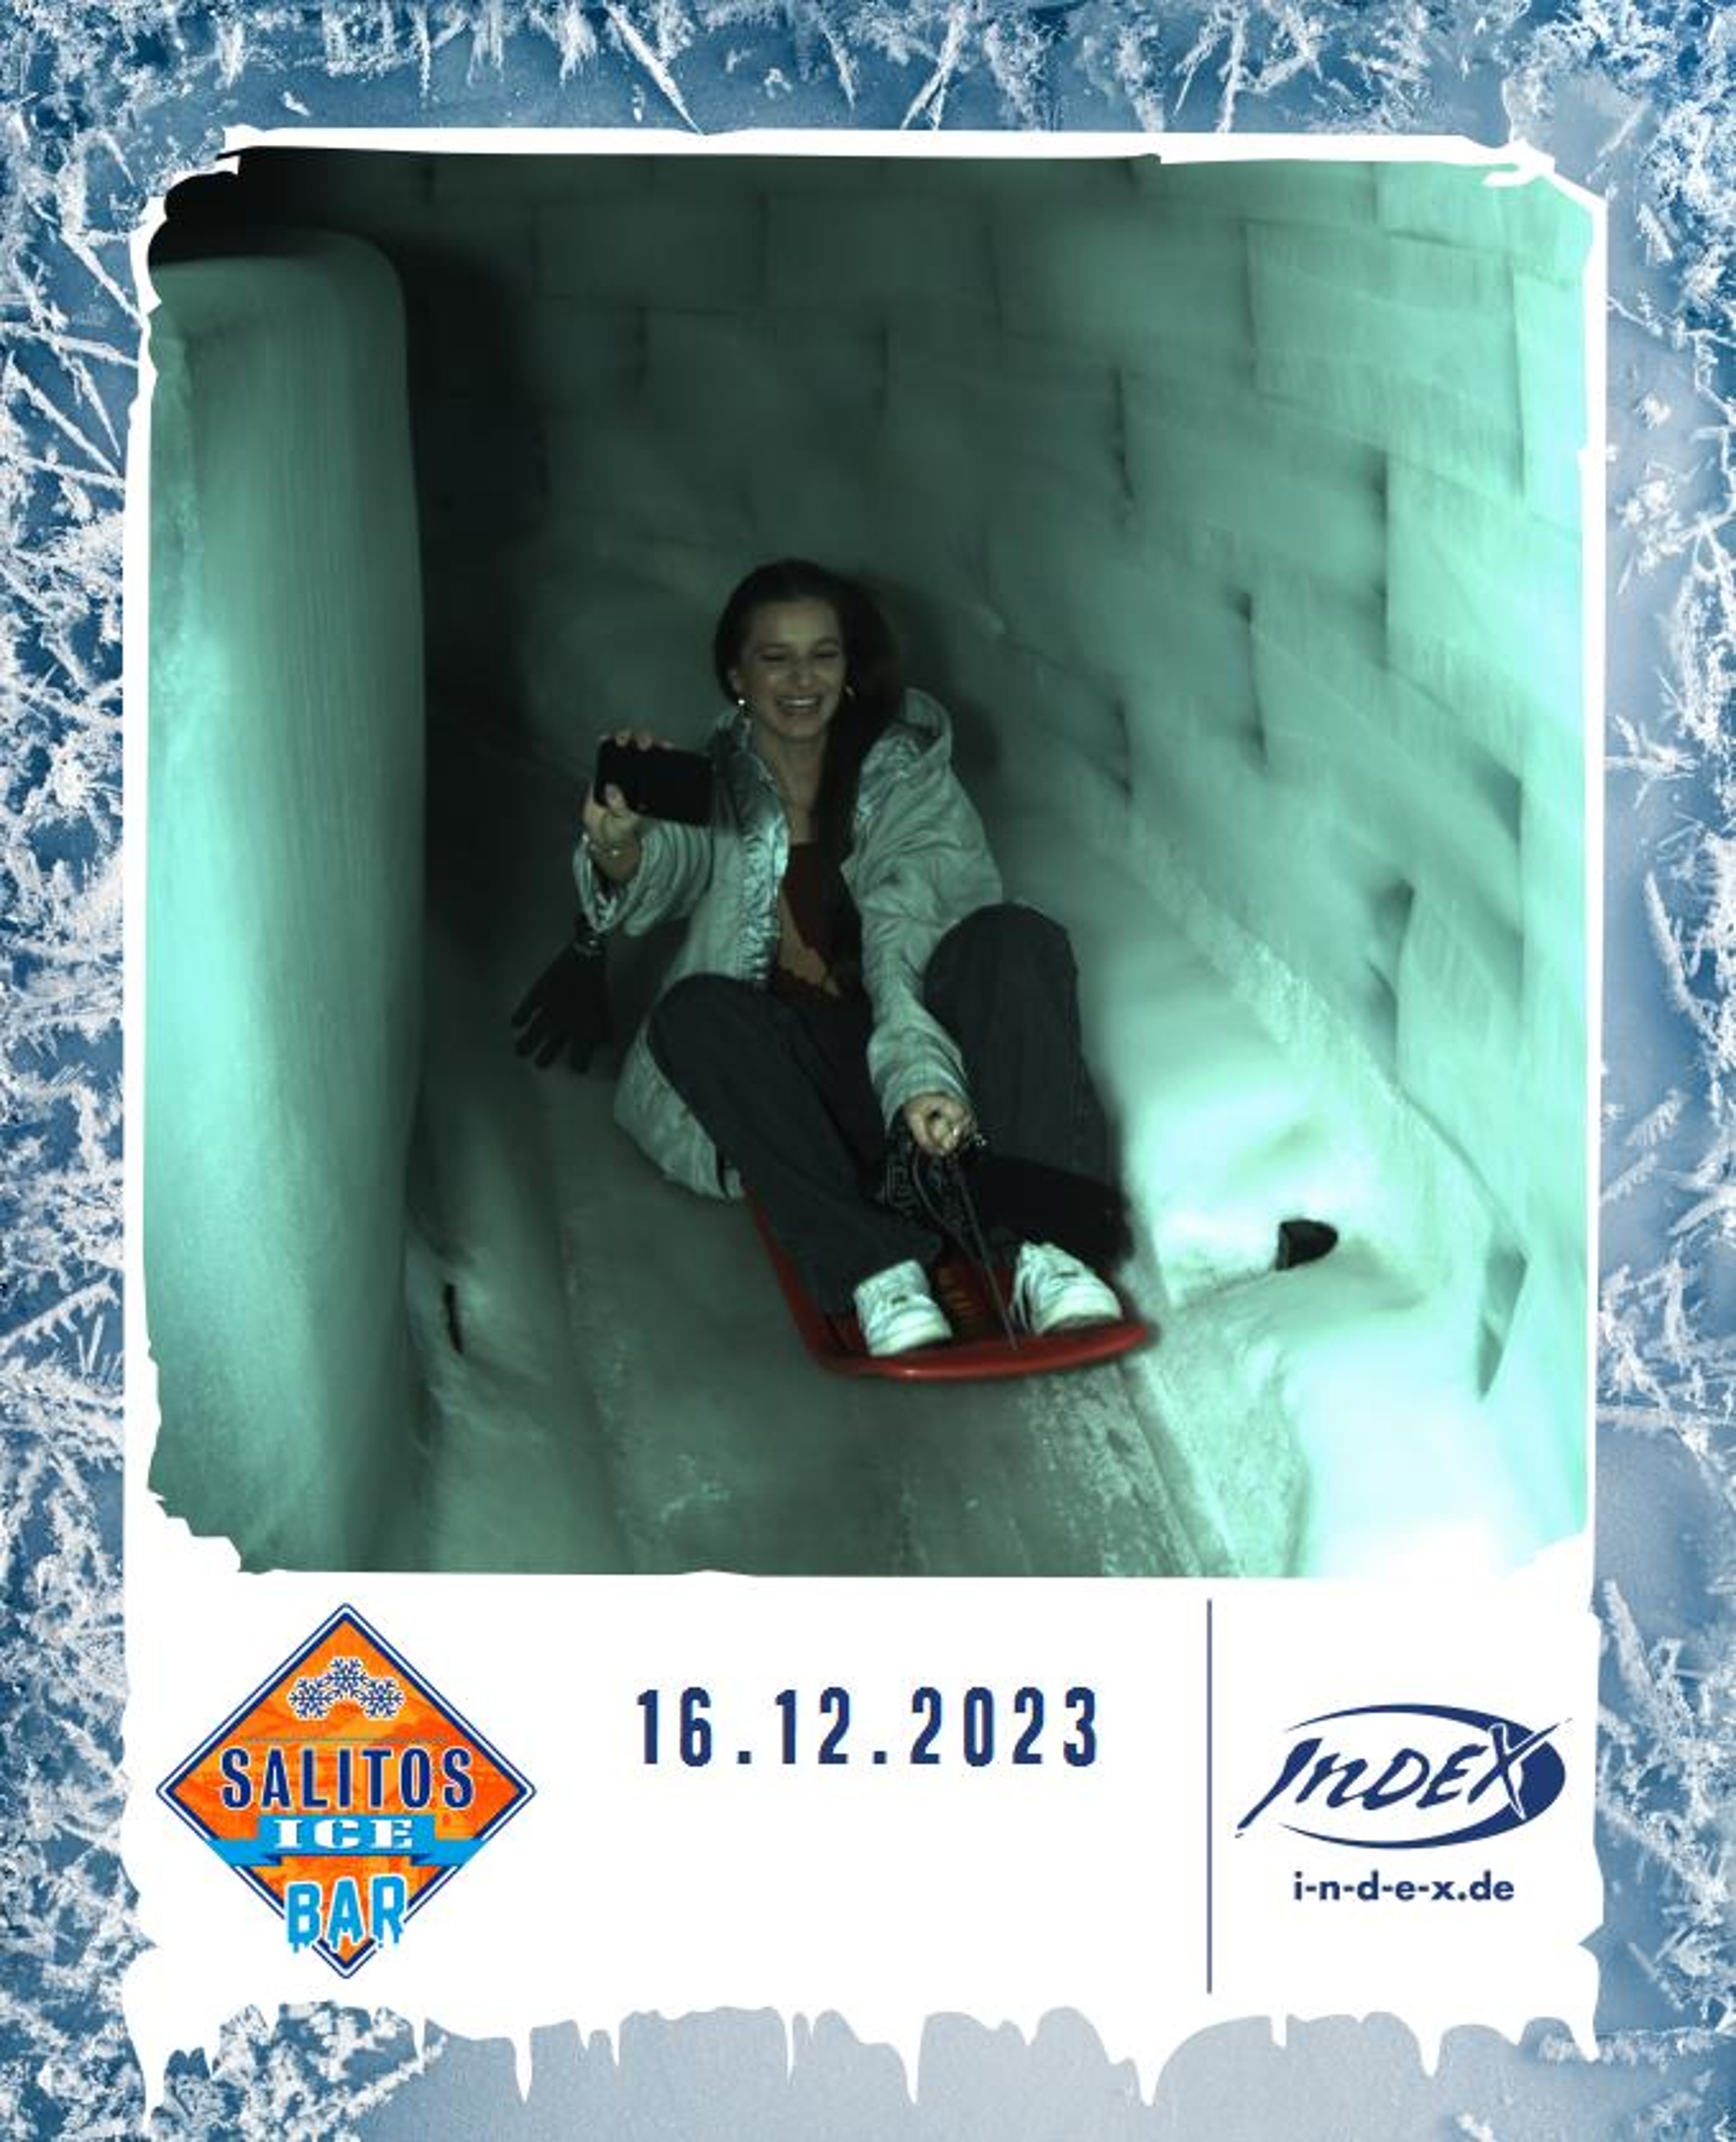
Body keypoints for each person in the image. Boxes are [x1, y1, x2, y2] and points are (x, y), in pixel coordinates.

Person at [572, 559, 1127, 1358]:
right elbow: (665, 866)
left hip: (935, 1069)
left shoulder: (910, 784)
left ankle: (1053, 1246)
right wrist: (618, 847)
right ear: (737, 674)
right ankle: (877, 1268)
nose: (802, 680)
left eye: (822, 655)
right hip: (811, 1101)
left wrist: (924, 1084)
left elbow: (917, 943)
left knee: (1013, 936)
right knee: (692, 1013)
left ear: (848, 667)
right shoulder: (712, 784)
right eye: (776, 657)